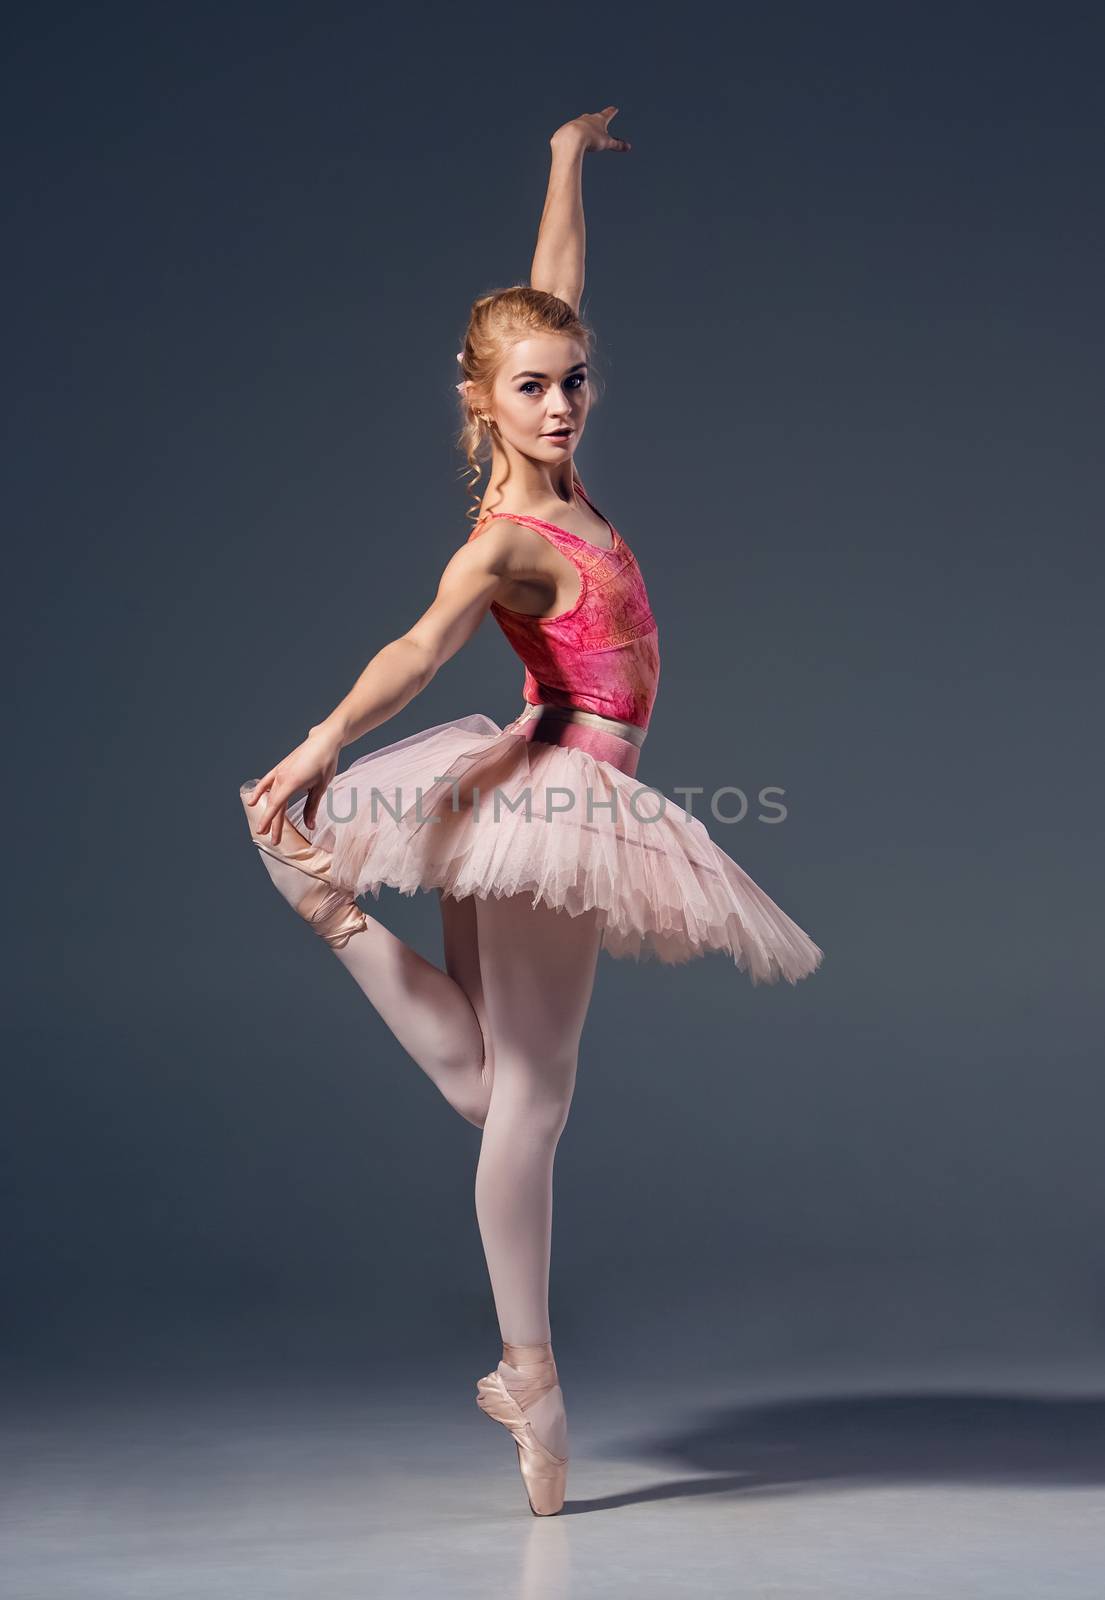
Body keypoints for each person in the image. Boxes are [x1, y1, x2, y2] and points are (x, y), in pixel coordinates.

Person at [239, 106, 823, 1517]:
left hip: (533, 783)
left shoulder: (559, 470)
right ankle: (532, 1376)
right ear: (479, 404)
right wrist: (320, 739)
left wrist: (561, 162)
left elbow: (551, 292)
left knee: (493, 1089)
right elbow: (417, 650)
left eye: (570, 382)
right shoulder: (508, 534)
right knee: (535, 1104)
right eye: (530, 391)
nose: (558, 404)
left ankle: (324, 907)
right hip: (554, 789)